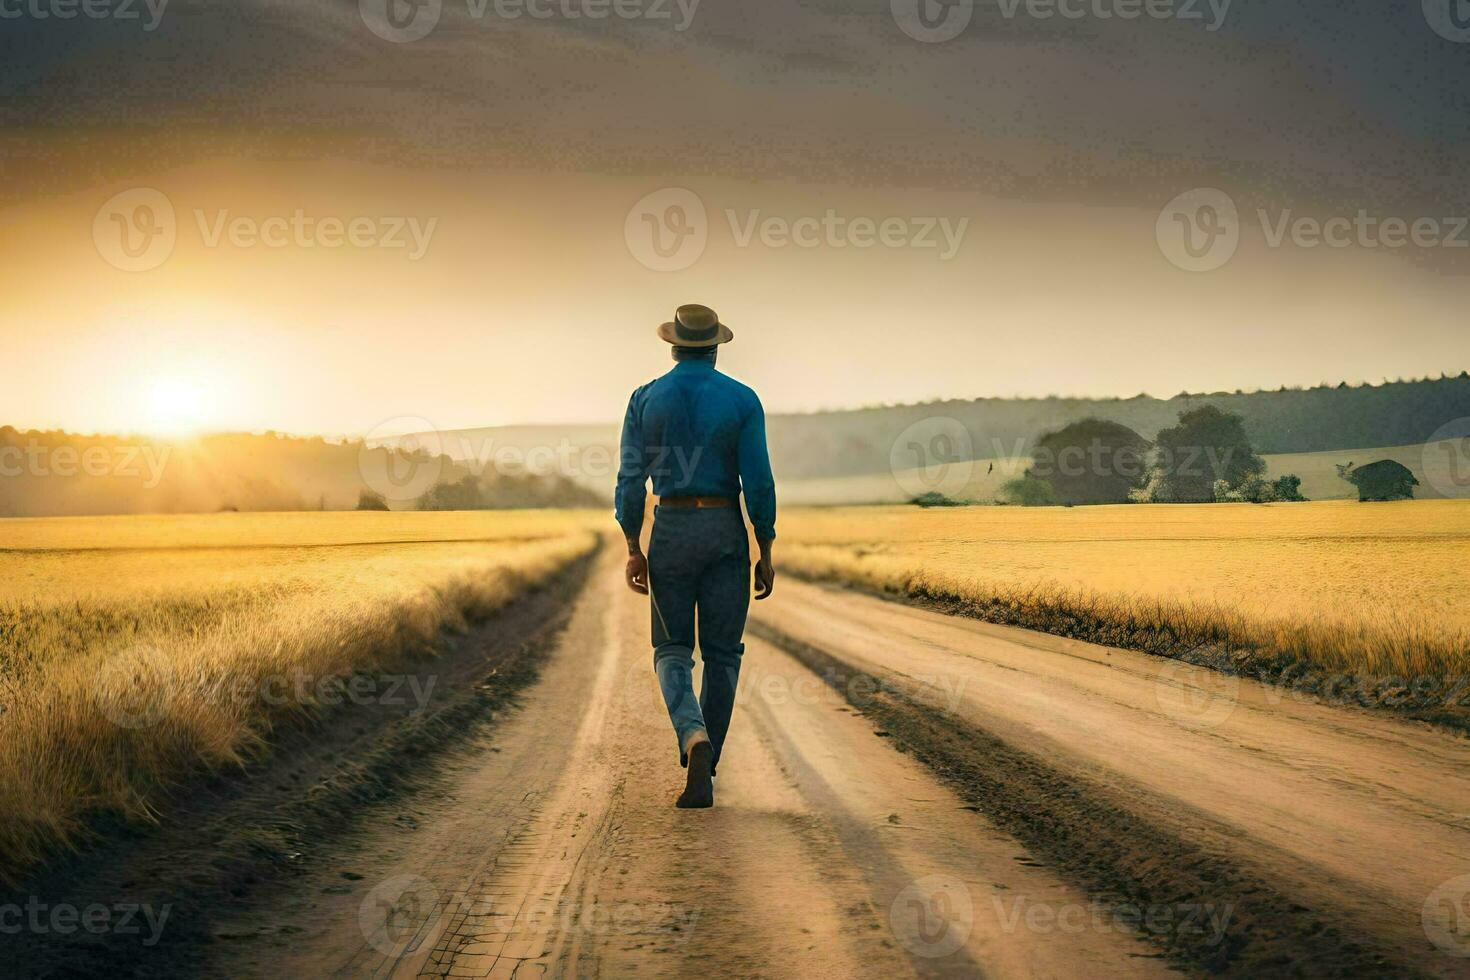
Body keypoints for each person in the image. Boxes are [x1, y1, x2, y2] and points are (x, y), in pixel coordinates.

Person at [614, 303, 777, 809]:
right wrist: (764, 546)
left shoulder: (645, 399)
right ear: (714, 346)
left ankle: (692, 736)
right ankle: (708, 761)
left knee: (671, 650)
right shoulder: (743, 399)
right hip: (725, 528)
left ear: (674, 344)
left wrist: (633, 547)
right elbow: (760, 481)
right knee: (724, 654)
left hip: (672, 529)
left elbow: (628, 480)